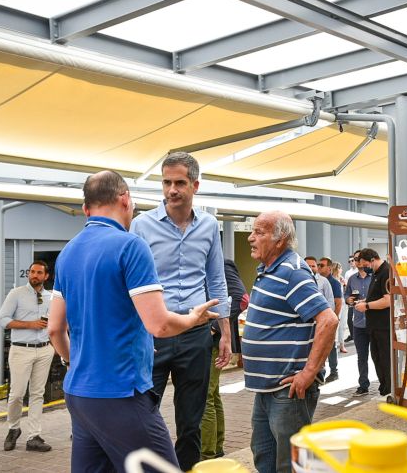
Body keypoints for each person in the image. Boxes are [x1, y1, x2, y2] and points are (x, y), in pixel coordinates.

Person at [48, 170, 218, 472]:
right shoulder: (131, 246)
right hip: (120, 394)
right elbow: (160, 325)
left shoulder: (67, 253)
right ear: (125, 199)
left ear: (86, 209)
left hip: (78, 394)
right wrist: (192, 318)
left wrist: (77, 361)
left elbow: (54, 329)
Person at [130, 152, 230, 471]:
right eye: (166, 183)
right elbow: (128, 282)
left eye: (179, 183)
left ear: (195, 186)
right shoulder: (141, 225)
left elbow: (216, 279)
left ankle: (187, 467)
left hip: (196, 334)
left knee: (191, 420)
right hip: (154, 333)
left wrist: (226, 334)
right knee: (143, 412)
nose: (172, 190)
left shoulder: (209, 225)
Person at [243, 211, 337, 473]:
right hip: (268, 389)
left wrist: (308, 373)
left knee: (293, 465)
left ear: (280, 239)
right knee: (265, 458)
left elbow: (328, 321)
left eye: (259, 232)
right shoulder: (268, 269)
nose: (251, 237)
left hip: (289, 391)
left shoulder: (292, 272)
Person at [0, 261, 55, 452]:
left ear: (46, 276)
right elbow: (2, 320)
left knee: (38, 394)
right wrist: (30, 324)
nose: (34, 275)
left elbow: (57, 321)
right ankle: (13, 428)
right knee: (17, 394)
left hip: (45, 349)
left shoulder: (51, 297)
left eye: (39, 272)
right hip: (21, 349)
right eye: (32, 272)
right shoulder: (16, 294)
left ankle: (34, 437)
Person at [201, 260, 246, 461]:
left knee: (205, 395)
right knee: (211, 394)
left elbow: (242, 299)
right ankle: (215, 448)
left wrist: (214, 328)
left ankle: (207, 454)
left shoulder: (221, 264)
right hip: (208, 341)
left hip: (212, 342)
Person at [354, 248, 392, 398]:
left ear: (373, 260)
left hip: (383, 326)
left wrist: (367, 306)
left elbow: (388, 300)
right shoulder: (376, 273)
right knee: (377, 358)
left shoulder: (386, 272)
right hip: (374, 326)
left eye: (365, 265)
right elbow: (377, 296)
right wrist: (365, 301)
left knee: (385, 359)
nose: (365, 269)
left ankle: (389, 389)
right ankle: (384, 388)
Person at [305, 256, 336, 382]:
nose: (311, 268)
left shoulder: (324, 281)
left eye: (313, 266)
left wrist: (327, 320)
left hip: (320, 324)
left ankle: (319, 376)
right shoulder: (299, 281)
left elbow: (330, 301)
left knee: (320, 350)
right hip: (305, 325)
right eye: (308, 265)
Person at [345, 261, 371, 396]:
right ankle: (363, 385)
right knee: (361, 357)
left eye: (360, 259)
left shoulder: (374, 277)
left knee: (379, 356)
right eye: (356, 259)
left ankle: (385, 385)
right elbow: (346, 295)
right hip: (359, 324)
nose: (357, 261)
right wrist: (348, 300)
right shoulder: (352, 279)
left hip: (374, 323)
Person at [343, 251, 362, 342]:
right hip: (353, 298)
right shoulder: (348, 273)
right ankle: (352, 335)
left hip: (363, 299)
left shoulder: (361, 271)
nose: (351, 262)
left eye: (353, 260)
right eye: (350, 261)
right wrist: (347, 299)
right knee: (349, 318)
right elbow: (347, 288)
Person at [331, 261, 349, 353]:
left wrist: (345, 284)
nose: (341, 270)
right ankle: (333, 344)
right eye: (340, 268)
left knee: (343, 325)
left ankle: (342, 344)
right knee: (335, 324)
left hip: (343, 304)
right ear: (337, 269)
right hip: (335, 304)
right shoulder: (331, 280)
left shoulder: (341, 279)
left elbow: (347, 291)